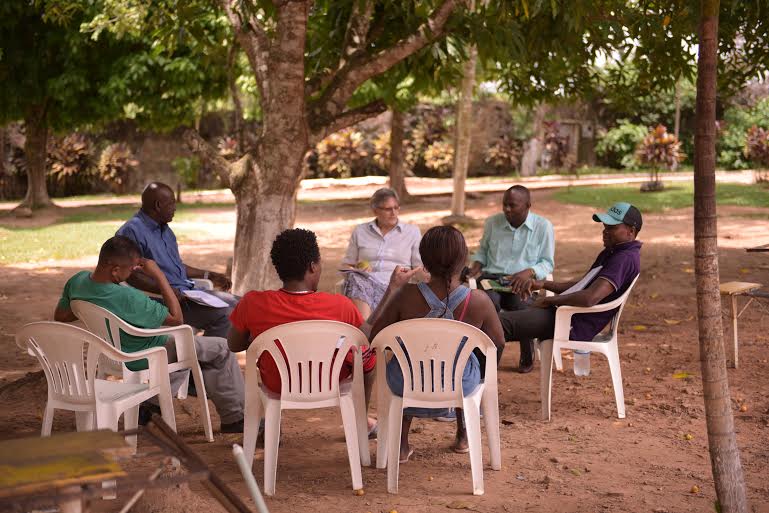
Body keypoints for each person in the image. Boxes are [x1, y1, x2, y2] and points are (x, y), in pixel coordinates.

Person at [54, 236, 245, 432]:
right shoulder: (128, 297)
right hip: (145, 355)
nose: (131, 274)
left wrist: (90, 308)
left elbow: (61, 316)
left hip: (110, 353)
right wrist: (159, 275)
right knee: (221, 348)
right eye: (130, 269)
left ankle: (152, 405)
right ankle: (235, 418)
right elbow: (177, 318)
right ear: (115, 270)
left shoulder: (76, 282)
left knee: (189, 349)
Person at [227, 228, 396, 435]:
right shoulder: (339, 305)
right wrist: (392, 290)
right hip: (329, 381)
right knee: (368, 359)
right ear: (313, 266)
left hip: (278, 384)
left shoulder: (253, 303)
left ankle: (271, 425)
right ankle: (361, 420)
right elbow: (367, 337)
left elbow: (234, 345)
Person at [370, 226, 505, 463]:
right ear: (464, 259)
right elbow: (498, 343)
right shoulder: (479, 301)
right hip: (461, 385)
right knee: (463, 362)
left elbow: (377, 337)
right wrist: (483, 375)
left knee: (409, 363)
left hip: (405, 384)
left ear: (424, 261)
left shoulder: (405, 296)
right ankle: (463, 434)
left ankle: (401, 445)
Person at [498, 202, 643, 373]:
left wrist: (550, 301)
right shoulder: (612, 252)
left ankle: (478, 379)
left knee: (498, 324)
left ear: (631, 231)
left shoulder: (624, 258)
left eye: (612, 228)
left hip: (570, 321)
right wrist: (544, 284)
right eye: (605, 227)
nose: (605, 231)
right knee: (501, 319)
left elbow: (590, 297)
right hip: (563, 313)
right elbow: (583, 285)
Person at [116, 182, 236, 338]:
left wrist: (209, 275)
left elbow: (176, 266)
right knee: (227, 316)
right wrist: (166, 290)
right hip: (165, 302)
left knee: (241, 305)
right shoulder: (131, 231)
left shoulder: (165, 229)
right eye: (171, 203)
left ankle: (206, 356)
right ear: (158, 205)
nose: (175, 207)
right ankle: (209, 358)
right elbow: (132, 275)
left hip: (189, 294)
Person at [467, 185, 554, 372]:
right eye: (504, 204)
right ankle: (487, 358)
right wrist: (476, 265)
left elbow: (547, 263)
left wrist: (529, 272)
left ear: (528, 205)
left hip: (520, 281)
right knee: (486, 305)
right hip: (491, 277)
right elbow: (482, 251)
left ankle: (527, 352)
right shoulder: (492, 222)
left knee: (521, 306)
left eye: (512, 205)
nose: (507, 209)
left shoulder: (543, 227)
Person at [341, 187, 425, 321]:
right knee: (355, 278)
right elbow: (346, 265)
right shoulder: (360, 231)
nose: (394, 213)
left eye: (396, 208)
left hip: (395, 286)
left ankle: (365, 334)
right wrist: (356, 270)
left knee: (357, 283)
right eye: (388, 209)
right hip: (365, 285)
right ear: (375, 211)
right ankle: (365, 331)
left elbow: (418, 267)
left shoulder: (412, 232)